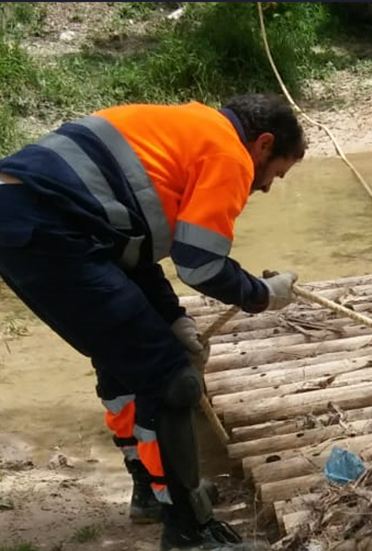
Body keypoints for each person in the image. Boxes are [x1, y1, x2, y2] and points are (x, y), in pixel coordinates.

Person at [0, 93, 305, 550]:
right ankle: (189, 531)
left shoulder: (187, 130)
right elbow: (200, 264)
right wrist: (262, 295)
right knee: (172, 379)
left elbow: (130, 249)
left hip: (25, 214)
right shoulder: (229, 154)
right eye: (276, 173)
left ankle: (151, 492)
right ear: (263, 144)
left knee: (126, 357)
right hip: (51, 229)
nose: (265, 187)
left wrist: (172, 317)